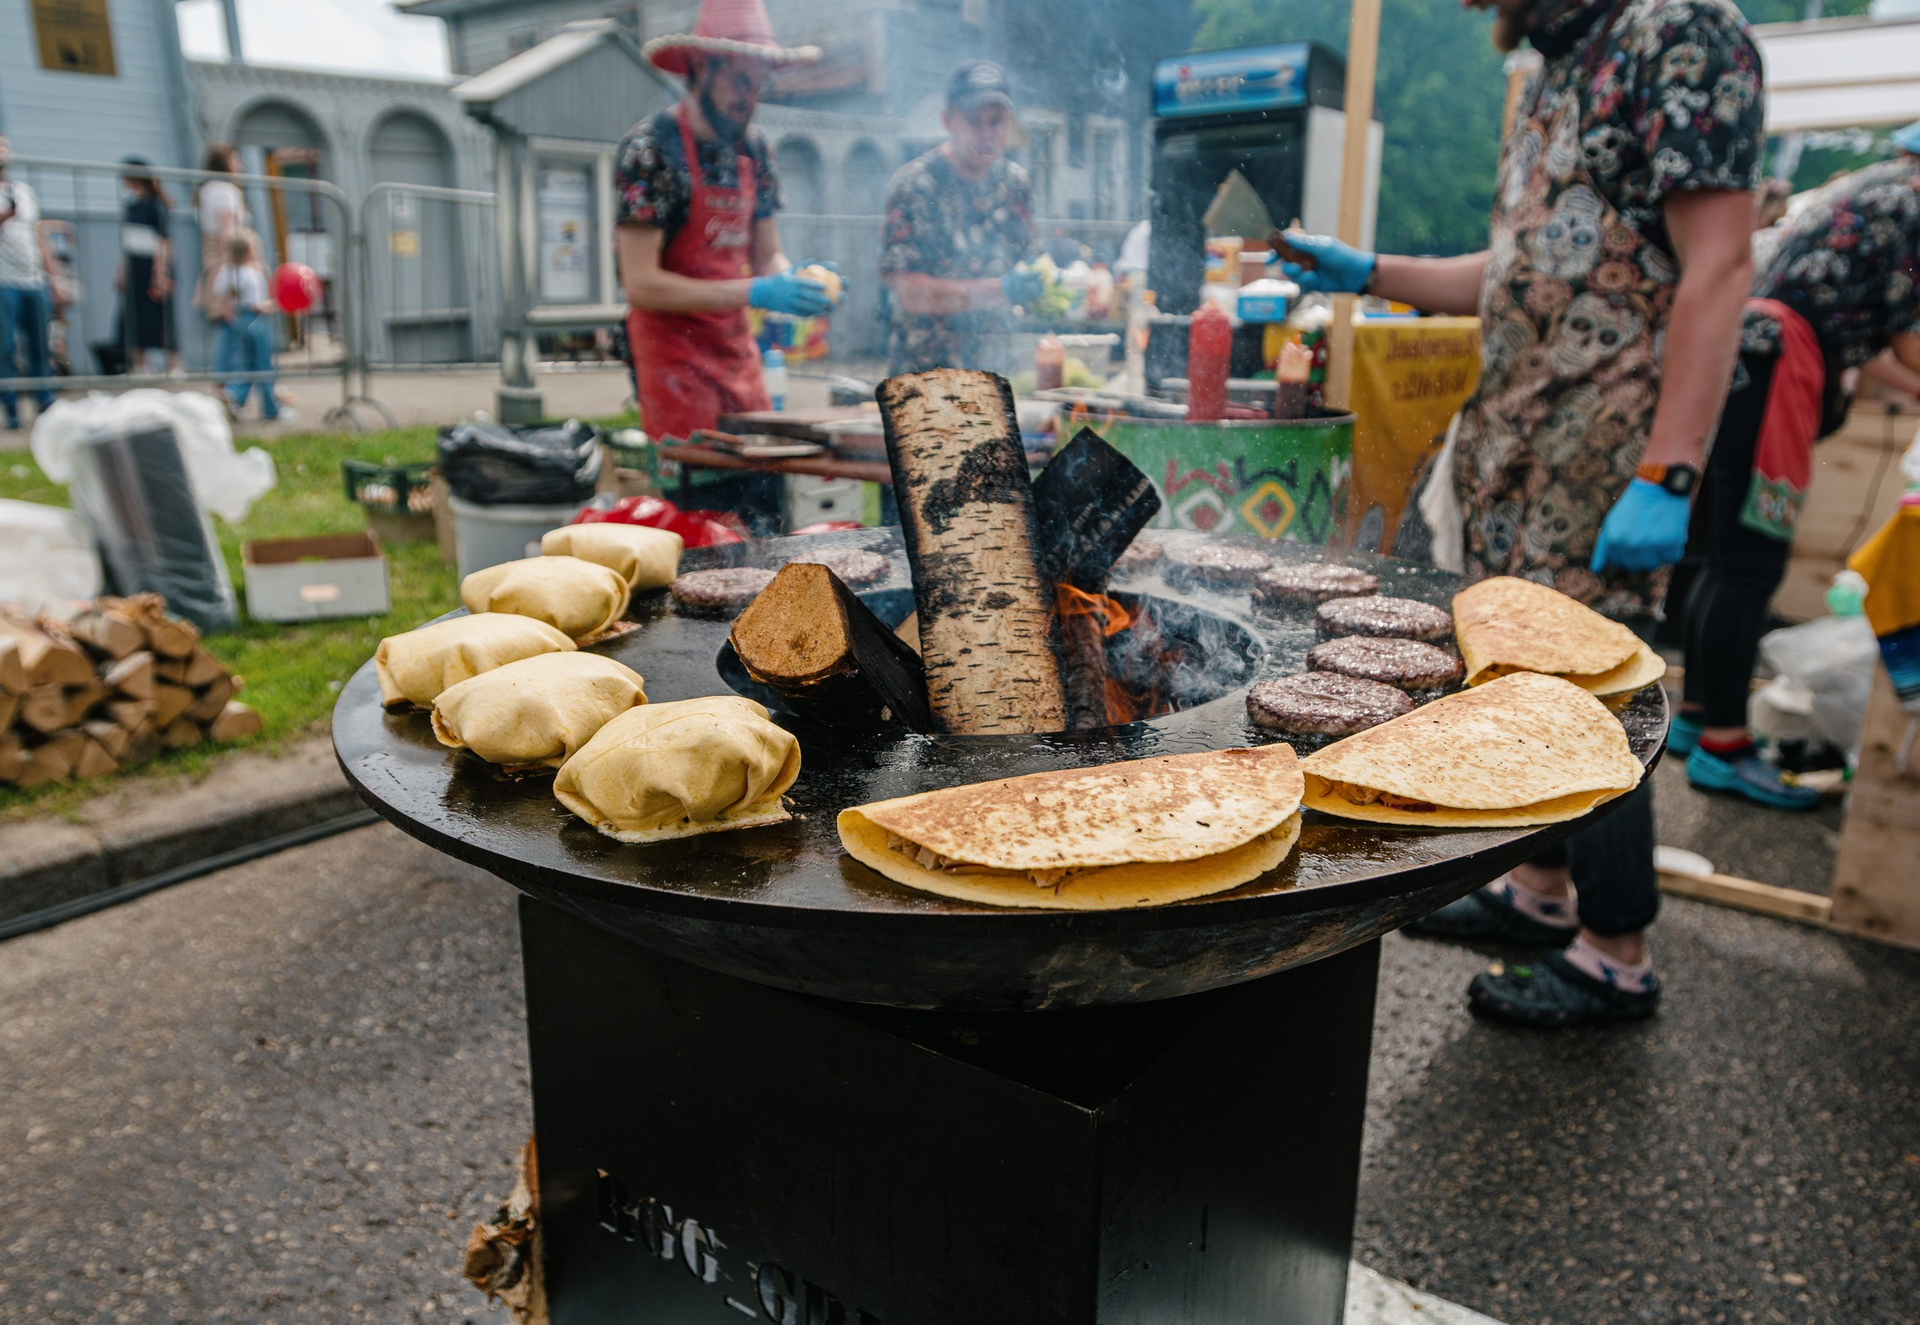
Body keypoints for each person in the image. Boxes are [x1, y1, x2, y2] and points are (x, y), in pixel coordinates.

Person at [1282, 0, 1766, 1027]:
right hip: (1518, 456)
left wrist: (1670, 469)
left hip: (1606, 460)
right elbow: (1514, 275)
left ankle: (1615, 952)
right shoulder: (1555, 66)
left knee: (1592, 698)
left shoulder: (1677, 33)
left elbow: (1721, 263)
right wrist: (1370, 271)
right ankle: (1541, 890)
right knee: (1520, 684)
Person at [1668, 126, 1920, 808]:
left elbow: (1875, 348)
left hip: (1749, 354)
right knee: (1749, 565)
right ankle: (1725, 746)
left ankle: (1698, 715)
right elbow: (1906, 343)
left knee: (1722, 556)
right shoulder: (1910, 207)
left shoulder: (1869, 188)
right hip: (1775, 364)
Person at [616, 0, 835, 442]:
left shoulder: (755, 149)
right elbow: (640, 284)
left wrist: (797, 283)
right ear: (701, 67)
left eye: (758, 84)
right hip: (673, 361)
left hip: (737, 354)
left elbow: (767, 255)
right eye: (739, 80)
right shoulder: (650, 150)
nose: (749, 98)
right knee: (698, 481)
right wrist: (755, 291)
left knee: (762, 474)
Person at [879, 60, 1046, 377]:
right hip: (924, 373)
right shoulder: (915, 185)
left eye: (996, 122)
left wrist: (1055, 286)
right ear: (948, 120)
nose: (986, 133)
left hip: (996, 369)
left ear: (1009, 123)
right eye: (973, 121)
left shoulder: (1016, 185)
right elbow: (909, 292)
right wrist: (1001, 289)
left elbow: (1032, 264)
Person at [0, 136, 60, 431]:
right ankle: (11, 409)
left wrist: (53, 277)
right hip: (4, 281)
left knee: (40, 345)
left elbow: (37, 233)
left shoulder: (23, 191)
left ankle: (45, 405)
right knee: (5, 346)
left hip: (34, 281)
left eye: (4, 147)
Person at [211, 230, 285, 423]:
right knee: (263, 366)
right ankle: (271, 409)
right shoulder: (252, 274)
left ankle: (233, 395)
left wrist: (231, 317)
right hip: (255, 321)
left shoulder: (227, 271)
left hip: (237, 320)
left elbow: (221, 297)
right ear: (249, 251)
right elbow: (256, 304)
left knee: (245, 364)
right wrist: (277, 304)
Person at [117, 157, 179, 377]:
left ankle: (174, 364)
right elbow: (127, 242)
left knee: (162, 317)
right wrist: (122, 271)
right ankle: (140, 364)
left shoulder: (156, 206)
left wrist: (159, 272)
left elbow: (164, 241)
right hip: (136, 267)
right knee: (134, 316)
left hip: (153, 265)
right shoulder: (131, 206)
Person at [194, 143, 250, 336]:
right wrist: (234, 265)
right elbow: (228, 232)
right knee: (233, 317)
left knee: (222, 322)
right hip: (227, 257)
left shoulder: (206, 190)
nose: (240, 166)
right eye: (236, 160)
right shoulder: (225, 190)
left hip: (211, 257)